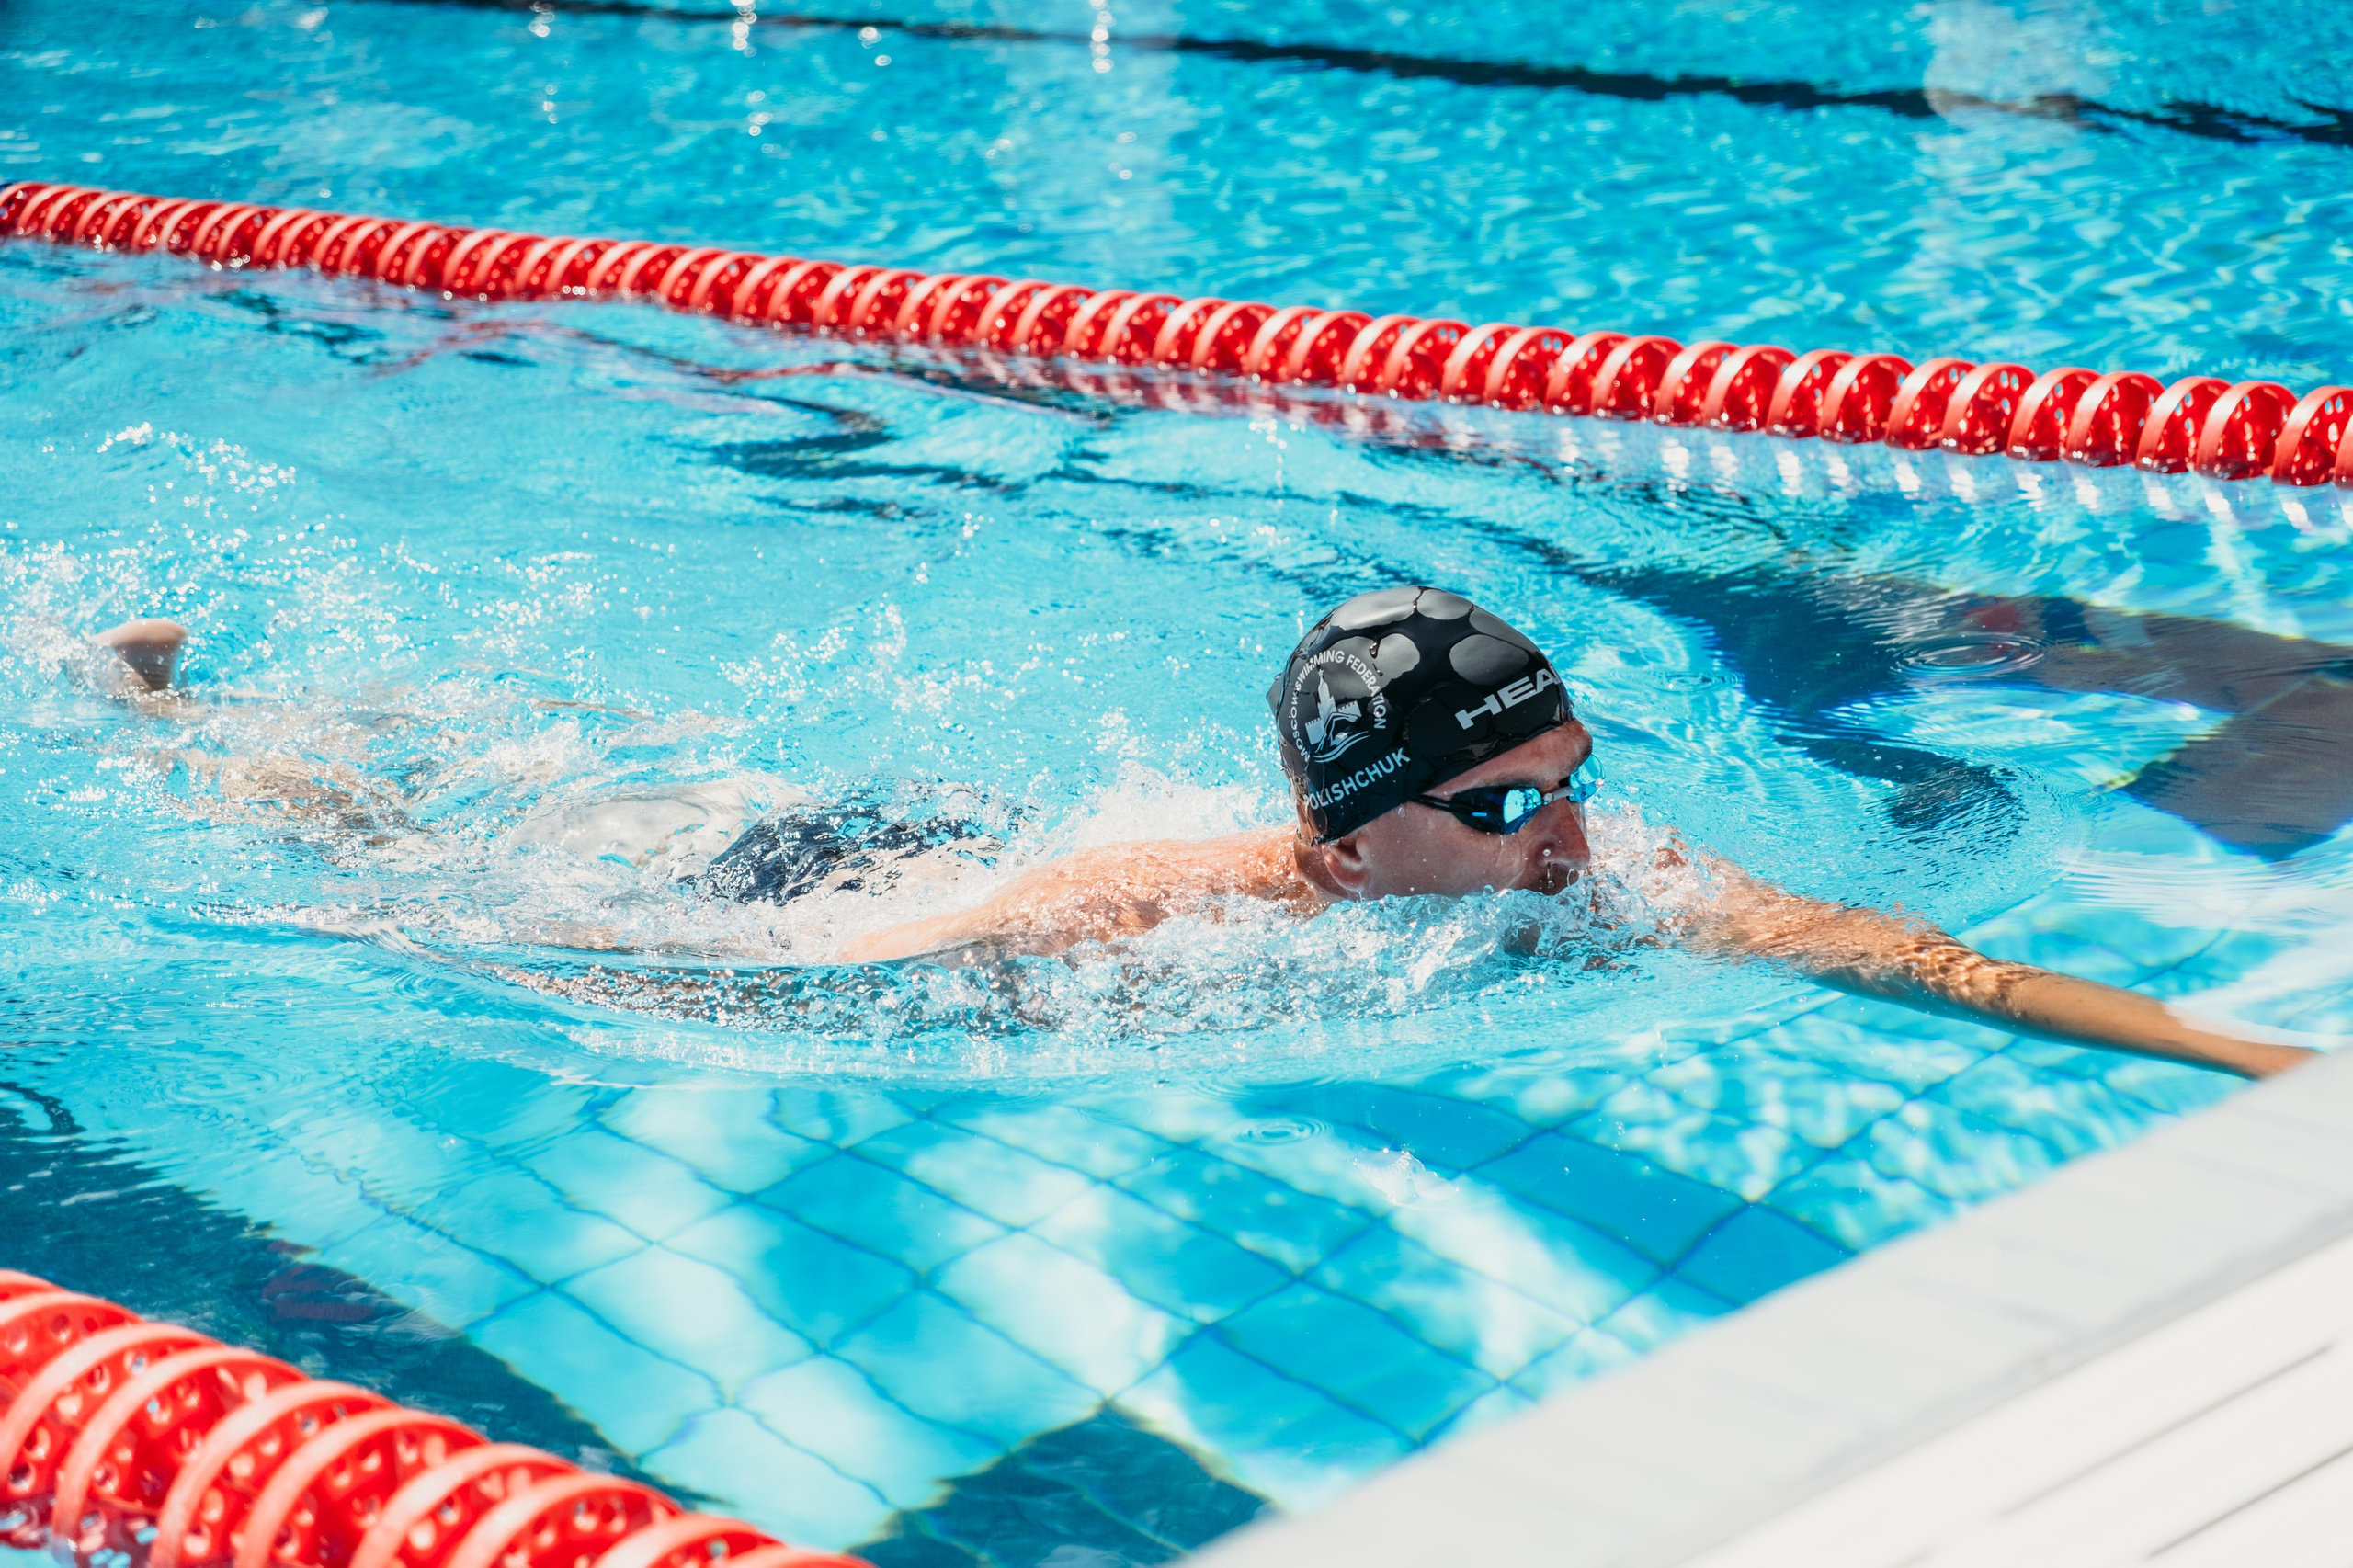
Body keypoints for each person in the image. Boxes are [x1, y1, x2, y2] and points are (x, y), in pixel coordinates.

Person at [88, 591, 2319, 1078]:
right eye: (1504, 801)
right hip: (844, 885)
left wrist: (2262, 1076)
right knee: (404, 846)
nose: (1568, 833)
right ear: (1351, 849)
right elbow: (806, 983)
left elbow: (1921, 966)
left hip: (936, 832)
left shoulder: (1590, 868)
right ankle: (192, 727)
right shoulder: (1179, 901)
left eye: (1568, 777)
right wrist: (443, 958)